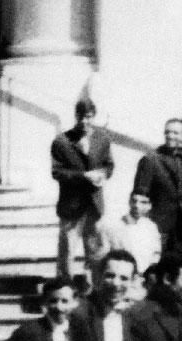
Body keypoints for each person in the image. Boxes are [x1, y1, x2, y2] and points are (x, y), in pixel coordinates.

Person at [52, 98, 114, 281]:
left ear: (93, 116)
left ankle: (94, 286)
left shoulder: (102, 138)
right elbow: (57, 172)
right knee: (67, 250)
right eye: (80, 117)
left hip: (94, 205)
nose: (84, 122)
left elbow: (109, 165)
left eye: (88, 117)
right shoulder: (61, 141)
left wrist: (103, 175)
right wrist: (83, 176)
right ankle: (64, 285)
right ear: (75, 116)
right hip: (71, 207)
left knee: (95, 250)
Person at [132, 119, 182, 264]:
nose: (170, 136)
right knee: (156, 264)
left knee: (178, 265)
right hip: (159, 222)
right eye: (167, 132)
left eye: (175, 133)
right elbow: (140, 194)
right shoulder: (151, 159)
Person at [100, 192, 162, 279]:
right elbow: (107, 253)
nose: (137, 205)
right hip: (123, 276)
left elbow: (156, 253)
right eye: (134, 201)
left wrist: (149, 272)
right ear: (129, 202)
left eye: (143, 202)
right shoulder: (116, 226)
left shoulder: (151, 227)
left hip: (144, 277)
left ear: (149, 206)